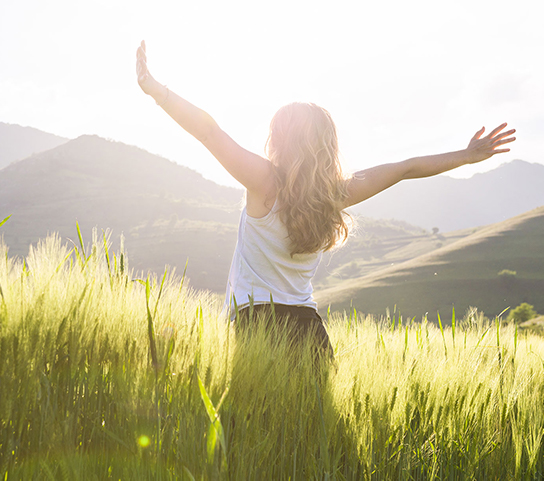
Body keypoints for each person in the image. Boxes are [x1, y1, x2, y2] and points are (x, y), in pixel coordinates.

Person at [136, 40, 516, 356]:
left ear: (278, 139)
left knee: (256, 435)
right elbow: (405, 168)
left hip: (257, 324)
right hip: (309, 331)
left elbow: (208, 132)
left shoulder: (263, 180)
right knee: (310, 440)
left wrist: (157, 91)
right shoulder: (335, 194)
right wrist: (466, 156)